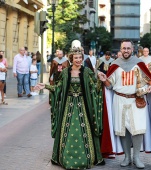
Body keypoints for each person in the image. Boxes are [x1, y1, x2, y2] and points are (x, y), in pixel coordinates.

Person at [98, 39, 151, 169]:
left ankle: (136, 157)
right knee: (123, 130)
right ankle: (127, 157)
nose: (126, 51)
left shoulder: (139, 64)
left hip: (136, 101)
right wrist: (104, 80)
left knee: (138, 129)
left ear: (133, 49)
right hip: (119, 100)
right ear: (120, 49)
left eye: (128, 48)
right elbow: (110, 86)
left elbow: (150, 81)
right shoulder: (115, 64)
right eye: (123, 48)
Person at [35, 40, 104, 169]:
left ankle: (86, 158)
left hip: (83, 106)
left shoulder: (87, 72)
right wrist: (46, 86)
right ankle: (66, 158)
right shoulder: (66, 72)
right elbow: (59, 87)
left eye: (80, 57)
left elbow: (94, 88)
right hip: (69, 106)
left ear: (82, 58)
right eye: (75, 58)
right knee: (68, 130)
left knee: (84, 130)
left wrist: (101, 82)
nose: (78, 60)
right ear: (71, 58)